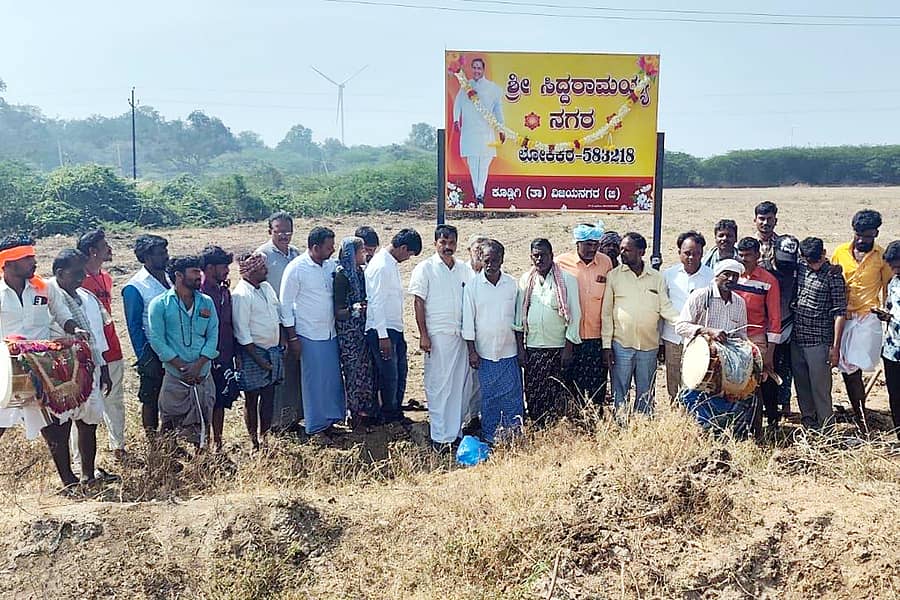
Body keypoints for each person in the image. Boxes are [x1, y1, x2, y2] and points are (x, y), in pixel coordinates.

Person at [0, 236, 91, 490]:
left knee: (54, 424)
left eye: (32, 256)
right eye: (27, 258)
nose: (33, 262)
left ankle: (68, 480)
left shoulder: (43, 288)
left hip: (43, 366)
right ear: (8, 263)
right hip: (8, 369)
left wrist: (73, 329)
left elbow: (61, 313)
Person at [49, 249, 114, 483]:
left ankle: (88, 474)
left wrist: (103, 367)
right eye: (76, 273)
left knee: (89, 422)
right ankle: (68, 479)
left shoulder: (87, 297)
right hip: (61, 373)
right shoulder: (48, 295)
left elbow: (97, 336)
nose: (81, 277)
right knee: (61, 425)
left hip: (90, 368)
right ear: (59, 273)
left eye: (82, 272)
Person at [409, 224, 474, 450]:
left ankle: (454, 434)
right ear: (435, 243)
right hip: (436, 336)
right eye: (443, 242)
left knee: (458, 386)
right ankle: (439, 437)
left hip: (460, 336)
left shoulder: (464, 269)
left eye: (451, 243)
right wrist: (423, 335)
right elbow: (418, 302)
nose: (447, 247)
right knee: (438, 386)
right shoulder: (425, 268)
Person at [675, 259, 755, 437]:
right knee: (696, 400)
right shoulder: (701, 295)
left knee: (731, 397)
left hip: (727, 368)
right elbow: (680, 326)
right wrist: (707, 331)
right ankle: (697, 436)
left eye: (735, 276)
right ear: (716, 276)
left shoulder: (739, 303)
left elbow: (741, 336)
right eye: (727, 274)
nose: (731, 279)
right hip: (699, 362)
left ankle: (723, 436)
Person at [602, 232, 679, 417]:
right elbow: (606, 313)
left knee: (646, 393)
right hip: (621, 345)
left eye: (627, 250)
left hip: (648, 346)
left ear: (641, 252)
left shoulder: (656, 277)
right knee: (620, 392)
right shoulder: (614, 276)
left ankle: (643, 428)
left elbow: (665, 308)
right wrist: (606, 346)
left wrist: (687, 324)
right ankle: (622, 429)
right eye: (621, 249)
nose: (622, 253)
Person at [831, 209, 894, 433]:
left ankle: (861, 415)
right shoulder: (839, 252)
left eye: (867, 236)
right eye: (859, 234)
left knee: (853, 366)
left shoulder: (881, 256)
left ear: (876, 233)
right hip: (841, 318)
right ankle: (860, 413)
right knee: (847, 369)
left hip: (867, 320)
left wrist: (889, 317)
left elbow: (889, 289)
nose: (862, 240)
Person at [148, 256, 219, 450]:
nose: (200, 276)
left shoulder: (206, 302)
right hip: (176, 375)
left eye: (199, 271)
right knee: (169, 421)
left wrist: (198, 366)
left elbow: (213, 336)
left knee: (205, 418)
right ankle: (167, 461)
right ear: (179, 276)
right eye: (194, 272)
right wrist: (181, 365)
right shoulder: (160, 304)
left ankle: (203, 459)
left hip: (202, 373)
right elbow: (157, 340)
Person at [280, 227, 346, 436]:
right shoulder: (297, 268)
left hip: (329, 332)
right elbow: (285, 305)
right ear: (315, 247)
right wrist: (292, 337)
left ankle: (330, 421)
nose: (332, 250)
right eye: (329, 247)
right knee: (314, 383)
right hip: (308, 333)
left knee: (331, 380)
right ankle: (316, 426)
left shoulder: (330, 266)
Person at [514, 238, 581, 425]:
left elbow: (575, 316)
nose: (540, 259)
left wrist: (568, 349)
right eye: (536, 255)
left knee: (559, 393)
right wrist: (521, 349)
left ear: (552, 256)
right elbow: (519, 318)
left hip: (559, 349)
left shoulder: (567, 280)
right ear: (531, 257)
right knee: (535, 394)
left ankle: (558, 433)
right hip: (534, 349)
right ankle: (538, 429)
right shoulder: (526, 280)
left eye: (544, 255)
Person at [463, 240, 524, 444]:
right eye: (487, 260)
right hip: (485, 353)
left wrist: (521, 348)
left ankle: (514, 434)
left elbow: (517, 320)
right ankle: (491, 436)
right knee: (489, 398)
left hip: (509, 351)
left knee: (512, 396)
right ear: (481, 260)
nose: (491, 264)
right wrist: (472, 351)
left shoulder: (512, 284)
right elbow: (468, 322)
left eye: (495, 260)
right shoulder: (472, 286)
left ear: (502, 260)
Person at [78, 229, 127, 461]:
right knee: (85, 405)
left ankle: (118, 446)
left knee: (114, 399)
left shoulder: (106, 278)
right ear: (92, 251)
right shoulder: (77, 280)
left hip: (112, 347)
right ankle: (82, 459)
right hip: (87, 351)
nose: (110, 249)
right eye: (105, 245)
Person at [365, 228, 422, 424]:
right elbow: (376, 302)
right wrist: (383, 336)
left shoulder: (389, 264)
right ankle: (387, 417)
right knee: (389, 376)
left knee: (399, 373)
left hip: (393, 328)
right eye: (409, 254)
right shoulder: (381, 266)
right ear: (403, 248)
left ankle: (395, 413)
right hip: (382, 330)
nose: (408, 259)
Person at [556, 222, 613, 408]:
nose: (593, 248)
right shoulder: (561, 263)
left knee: (596, 387)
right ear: (577, 243)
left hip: (596, 337)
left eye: (596, 244)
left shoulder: (606, 262)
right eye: (588, 244)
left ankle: (593, 426)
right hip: (570, 338)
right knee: (569, 385)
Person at [792, 238, 847, 430]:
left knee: (821, 389)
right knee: (802, 386)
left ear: (824, 253)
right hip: (797, 338)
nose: (814, 265)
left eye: (817, 260)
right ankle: (808, 422)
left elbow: (840, 313)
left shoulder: (833, 275)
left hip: (819, 341)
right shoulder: (800, 267)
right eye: (810, 261)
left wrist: (835, 347)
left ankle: (827, 429)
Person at [232, 252, 284, 450]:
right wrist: (260, 361)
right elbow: (242, 332)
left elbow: (277, 315)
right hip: (253, 353)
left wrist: (282, 342)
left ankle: (266, 436)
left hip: (272, 350)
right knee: (252, 399)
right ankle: (254, 441)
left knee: (269, 396)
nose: (266, 270)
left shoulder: (266, 288)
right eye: (262, 268)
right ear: (251, 272)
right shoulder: (241, 295)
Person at [257, 210, 302, 432]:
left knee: (295, 371)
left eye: (288, 231)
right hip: (274, 323)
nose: (284, 235)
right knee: (278, 372)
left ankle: (293, 417)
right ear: (270, 231)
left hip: (295, 320)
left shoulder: (296, 254)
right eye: (279, 231)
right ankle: (276, 423)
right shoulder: (263, 255)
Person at [122, 234, 171, 439]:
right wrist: (145, 357)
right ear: (146, 258)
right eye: (161, 254)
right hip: (152, 351)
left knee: (171, 398)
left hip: (175, 349)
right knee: (151, 399)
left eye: (166, 251)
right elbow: (134, 327)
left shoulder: (170, 278)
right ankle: (153, 443)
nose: (166, 257)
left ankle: (170, 441)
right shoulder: (135, 287)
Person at [734, 237, 782, 436]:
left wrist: (770, 352)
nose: (744, 260)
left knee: (760, 382)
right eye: (741, 255)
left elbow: (775, 319)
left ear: (758, 256)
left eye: (748, 256)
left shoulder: (768, 281)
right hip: (734, 337)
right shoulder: (732, 276)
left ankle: (768, 424)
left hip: (757, 337)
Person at [661, 231, 714, 402]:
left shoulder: (711, 277)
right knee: (673, 379)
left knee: (696, 379)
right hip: (673, 337)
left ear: (702, 253)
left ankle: (695, 416)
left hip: (699, 340)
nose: (691, 257)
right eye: (687, 253)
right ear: (679, 253)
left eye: (696, 253)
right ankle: (676, 416)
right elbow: (663, 305)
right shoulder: (669, 275)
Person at [333, 237, 377, 429]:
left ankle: (365, 411)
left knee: (366, 372)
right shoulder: (342, 276)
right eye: (361, 252)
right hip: (349, 334)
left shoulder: (360, 272)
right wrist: (357, 309)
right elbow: (339, 311)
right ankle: (354, 414)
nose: (365, 255)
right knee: (352, 373)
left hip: (362, 331)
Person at [200, 245, 239, 452]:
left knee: (221, 400)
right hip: (205, 357)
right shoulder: (200, 294)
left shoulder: (224, 291)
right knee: (207, 401)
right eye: (223, 266)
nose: (227, 270)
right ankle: (204, 444)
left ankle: (218, 442)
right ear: (209, 268)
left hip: (224, 353)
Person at [452, 56, 505, 204]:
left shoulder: (493, 88)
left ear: (483, 70)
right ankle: (478, 194)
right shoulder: (465, 86)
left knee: (485, 163)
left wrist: (501, 128)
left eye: (479, 68)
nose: (476, 70)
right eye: (474, 67)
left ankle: (480, 193)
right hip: (469, 132)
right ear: (471, 69)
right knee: (473, 163)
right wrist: (456, 120)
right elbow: (457, 104)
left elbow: (498, 110)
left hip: (486, 133)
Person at [768, 235, 800, 416]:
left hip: (789, 325)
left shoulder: (797, 270)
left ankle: (785, 405)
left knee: (786, 368)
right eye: (782, 262)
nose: (785, 266)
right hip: (767, 327)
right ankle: (768, 407)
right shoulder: (764, 269)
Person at [876, 240, 900, 440]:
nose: (894, 270)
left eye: (898, 265)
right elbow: (891, 309)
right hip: (892, 349)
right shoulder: (893, 283)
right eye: (892, 266)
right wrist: (884, 315)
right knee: (895, 396)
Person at [753, 201, 780, 270]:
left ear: (775, 221)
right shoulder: (749, 244)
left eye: (769, 219)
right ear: (755, 220)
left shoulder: (782, 244)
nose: (765, 223)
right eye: (762, 219)